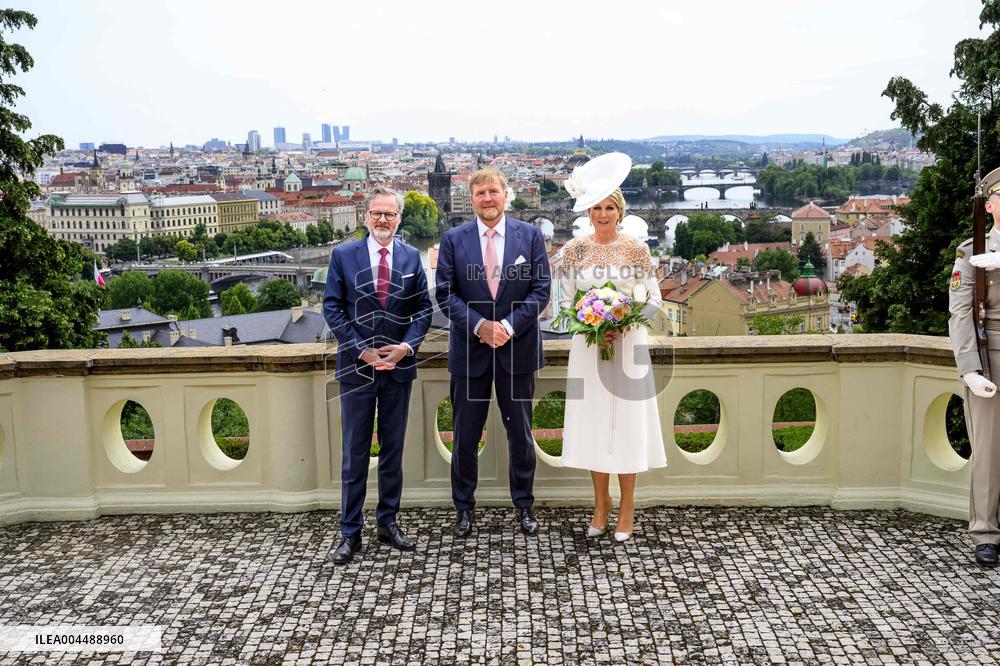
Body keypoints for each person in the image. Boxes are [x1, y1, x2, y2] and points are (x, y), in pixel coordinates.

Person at [435, 168, 551, 538]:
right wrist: (480, 326)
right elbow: (445, 293)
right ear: (473, 199)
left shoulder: (530, 236)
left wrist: (508, 326)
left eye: (493, 192)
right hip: (470, 353)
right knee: (465, 437)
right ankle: (464, 509)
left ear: (506, 194)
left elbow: (541, 291)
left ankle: (524, 505)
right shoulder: (454, 238)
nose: (487, 198)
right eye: (480, 193)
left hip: (516, 353)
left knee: (521, 435)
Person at [557, 152, 666, 542]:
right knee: (594, 424)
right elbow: (565, 303)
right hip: (589, 347)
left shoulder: (637, 249)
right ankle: (600, 503)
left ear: (620, 211)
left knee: (627, 427)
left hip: (628, 345)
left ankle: (627, 507)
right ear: (588, 212)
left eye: (610, 207)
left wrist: (624, 320)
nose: (603, 215)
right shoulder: (575, 251)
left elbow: (653, 298)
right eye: (597, 208)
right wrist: (591, 321)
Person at [323, 186, 432, 565]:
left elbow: (423, 310)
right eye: (376, 214)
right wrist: (361, 350)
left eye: (390, 214)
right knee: (354, 454)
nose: (383, 220)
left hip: (398, 368)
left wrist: (406, 348)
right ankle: (349, 533)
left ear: (399, 219)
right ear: (365, 216)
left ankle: (387, 523)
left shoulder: (412, 257)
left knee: (392, 452)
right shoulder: (343, 255)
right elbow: (332, 309)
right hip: (357, 370)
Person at [949, 170, 1000, 567]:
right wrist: (969, 368)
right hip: (991, 354)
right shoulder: (971, 252)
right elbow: (960, 314)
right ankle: (986, 531)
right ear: (989, 205)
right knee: (988, 449)